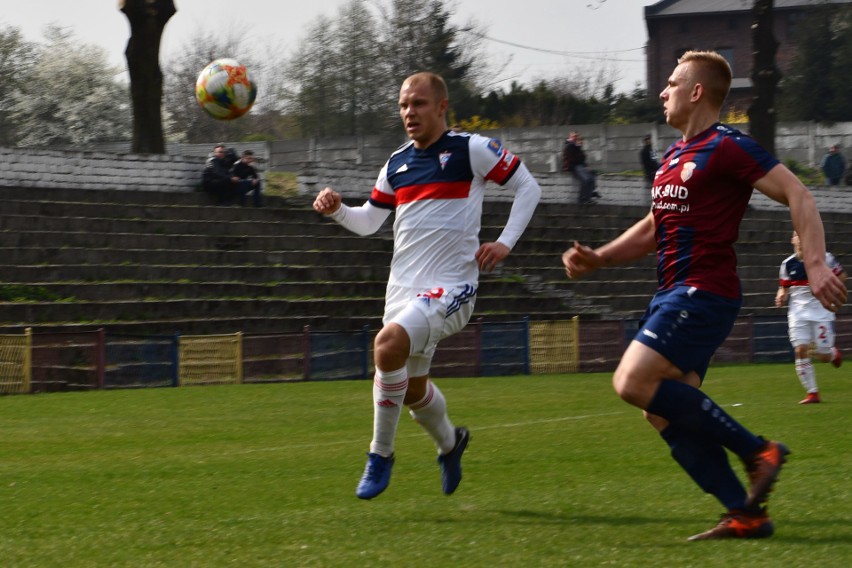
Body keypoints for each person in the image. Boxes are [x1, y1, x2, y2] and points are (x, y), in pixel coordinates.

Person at [562, 50, 848, 541]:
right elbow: (654, 227)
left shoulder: (727, 146)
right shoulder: (672, 157)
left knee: (630, 381)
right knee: (660, 410)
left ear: (696, 92)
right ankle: (746, 513)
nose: (662, 91)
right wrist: (600, 258)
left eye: (672, 82)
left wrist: (816, 263)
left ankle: (759, 451)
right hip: (673, 292)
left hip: (704, 291)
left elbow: (798, 193)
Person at [313, 72, 541, 500]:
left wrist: (505, 242)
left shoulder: (471, 149)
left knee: (386, 347)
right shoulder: (396, 163)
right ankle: (451, 443)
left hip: (452, 288)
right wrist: (339, 209)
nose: (409, 113)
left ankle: (380, 455)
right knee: (413, 391)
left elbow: (527, 186)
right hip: (402, 291)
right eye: (403, 105)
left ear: (441, 106)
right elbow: (369, 222)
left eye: (418, 104)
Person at [775, 231, 845, 404]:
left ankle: (832, 354)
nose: (799, 238)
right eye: (796, 235)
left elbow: (842, 276)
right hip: (797, 313)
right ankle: (812, 392)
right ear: (792, 240)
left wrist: (829, 287)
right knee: (800, 350)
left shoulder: (824, 259)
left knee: (822, 355)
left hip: (821, 311)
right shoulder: (787, 264)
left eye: (802, 234)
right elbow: (784, 288)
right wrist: (781, 296)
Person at [561, 131, 599, 205]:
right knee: (586, 179)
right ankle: (582, 199)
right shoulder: (570, 146)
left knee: (591, 177)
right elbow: (574, 159)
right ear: (570, 137)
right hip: (574, 166)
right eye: (574, 136)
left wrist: (585, 165)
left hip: (579, 165)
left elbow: (581, 159)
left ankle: (590, 195)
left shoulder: (577, 147)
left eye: (576, 136)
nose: (576, 138)